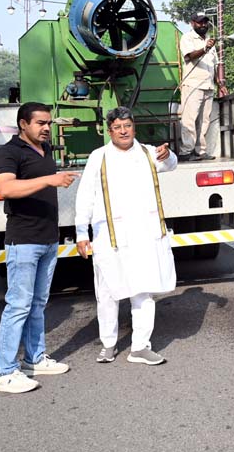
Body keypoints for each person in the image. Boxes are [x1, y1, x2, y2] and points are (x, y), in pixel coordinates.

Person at [74, 107, 177, 365]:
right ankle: (108, 344)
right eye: (118, 127)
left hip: (144, 235)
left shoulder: (147, 152)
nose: (123, 131)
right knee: (108, 291)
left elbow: (171, 164)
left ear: (134, 128)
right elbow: (85, 196)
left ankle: (140, 346)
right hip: (110, 236)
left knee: (144, 290)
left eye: (127, 126)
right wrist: (80, 232)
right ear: (110, 131)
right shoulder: (99, 157)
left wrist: (168, 153)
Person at [0, 102, 77, 394]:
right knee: (18, 306)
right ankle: (4, 372)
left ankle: (34, 359)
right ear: (22, 124)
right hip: (23, 240)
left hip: (47, 238)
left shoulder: (46, 149)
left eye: (49, 123)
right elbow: (5, 189)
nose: (46, 128)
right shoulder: (9, 153)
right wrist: (50, 180)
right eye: (40, 123)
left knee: (38, 303)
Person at [178, 12, 227, 161]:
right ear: (192, 23)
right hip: (193, 85)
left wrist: (220, 84)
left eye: (205, 22)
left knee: (204, 121)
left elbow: (214, 65)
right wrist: (204, 48)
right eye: (200, 22)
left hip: (208, 86)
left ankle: (200, 151)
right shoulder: (187, 38)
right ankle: (186, 152)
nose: (203, 25)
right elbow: (189, 56)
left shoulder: (210, 43)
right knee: (189, 120)